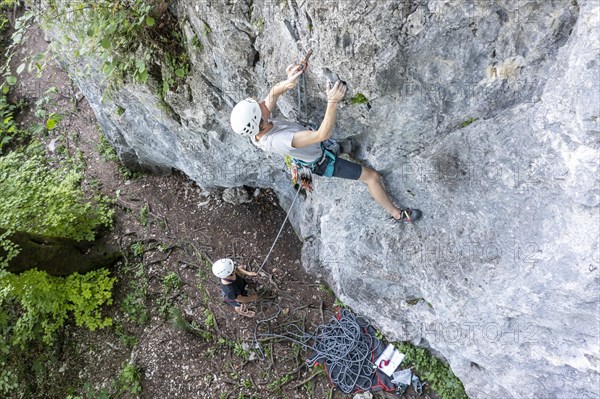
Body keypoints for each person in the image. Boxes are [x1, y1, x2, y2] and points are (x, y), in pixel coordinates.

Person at [229, 64, 421, 222]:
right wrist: (332, 101)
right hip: (323, 163)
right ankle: (396, 214)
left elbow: (272, 95)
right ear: (259, 122)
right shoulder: (279, 140)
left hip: (307, 155)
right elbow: (322, 134)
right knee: (372, 177)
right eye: (259, 108)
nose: (262, 104)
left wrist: (288, 81)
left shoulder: (257, 128)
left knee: (313, 155)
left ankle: (310, 176)